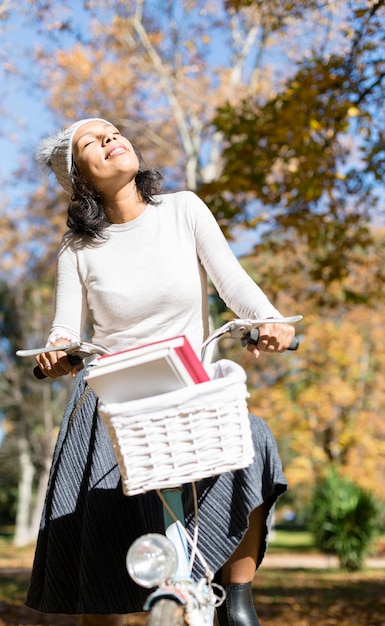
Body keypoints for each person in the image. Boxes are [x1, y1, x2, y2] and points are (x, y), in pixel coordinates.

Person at [26, 117, 296, 626]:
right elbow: (64, 329)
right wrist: (57, 353)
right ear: (79, 176)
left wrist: (269, 322)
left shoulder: (184, 209)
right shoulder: (77, 248)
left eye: (112, 131)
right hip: (113, 394)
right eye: (92, 140)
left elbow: (234, 285)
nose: (109, 139)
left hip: (188, 388)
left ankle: (236, 600)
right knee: (100, 543)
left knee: (253, 439)